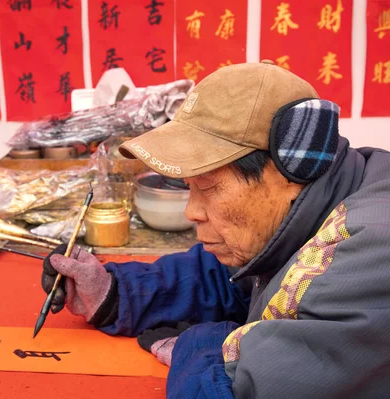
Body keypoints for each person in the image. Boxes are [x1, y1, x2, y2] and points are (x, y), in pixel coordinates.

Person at [40, 61, 390, 398]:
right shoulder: (301, 211)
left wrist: (204, 344)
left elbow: (234, 390)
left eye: (207, 188)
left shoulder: (370, 250)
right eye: (188, 188)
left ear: (290, 168)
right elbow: (234, 278)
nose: (192, 211)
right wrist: (114, 292)